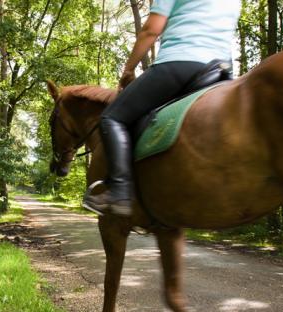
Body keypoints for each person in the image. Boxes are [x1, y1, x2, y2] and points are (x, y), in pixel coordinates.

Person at [82, 0, 241, 217]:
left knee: (112, 118)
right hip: (220, 70)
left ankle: (119, 190)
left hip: (181, 61)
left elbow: (150, 30)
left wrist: (128, 70)